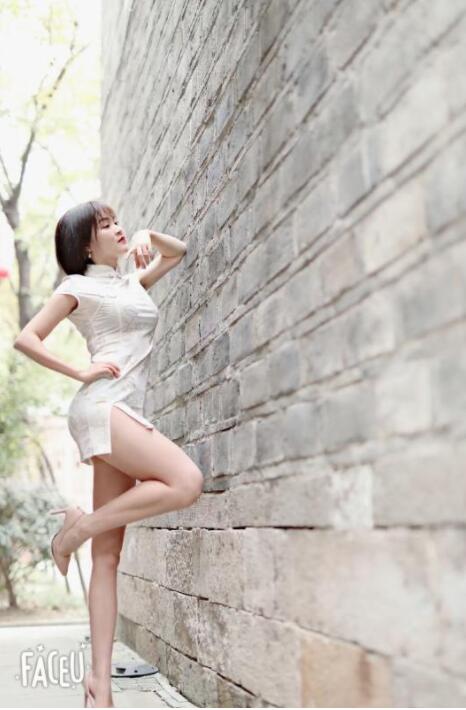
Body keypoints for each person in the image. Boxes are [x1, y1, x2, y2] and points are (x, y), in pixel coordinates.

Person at [13, 200, 204, 708]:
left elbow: (177, 252)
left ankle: (99, 686)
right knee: (186, 482)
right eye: (105, 225)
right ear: (84, 245)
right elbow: (26, 338)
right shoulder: (78, 287)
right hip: (102, 407)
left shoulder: (129, 283)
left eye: (117, 221)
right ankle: (75, 530)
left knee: (107, 555)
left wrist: (148, 234)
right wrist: (80, 372)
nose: (117, 229)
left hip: (123, 412)